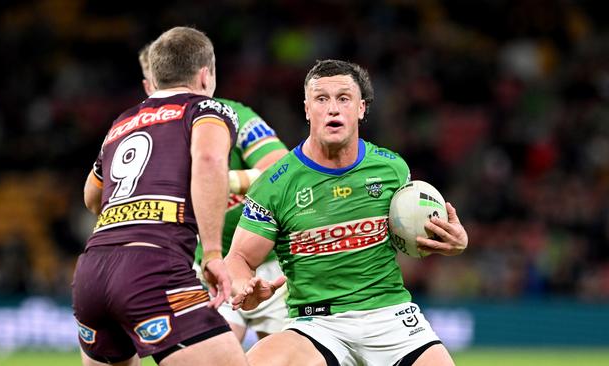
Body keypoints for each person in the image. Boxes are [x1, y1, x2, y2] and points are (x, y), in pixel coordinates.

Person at [225, 59, 469, 366]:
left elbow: (411, 239)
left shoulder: (392, 169)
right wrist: (244, 284)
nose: (333, 108)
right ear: (306, 108)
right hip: (317, 324)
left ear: (361, 108)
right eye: (321, 99)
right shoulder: (274, 183)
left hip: (389, 315)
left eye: (343, 98)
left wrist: (452, 243)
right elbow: (238, 258)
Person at [72, 26, 249, 366]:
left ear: (154, 77)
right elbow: (209, 159)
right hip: (151, 267)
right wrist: (212, 253)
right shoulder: (207, 109)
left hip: (91, 273)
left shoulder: (122, 123)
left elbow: (92, 197)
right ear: (205, 74)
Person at [139, 44, 290, 342]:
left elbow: (282, 172)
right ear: (148, 86)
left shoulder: (235, 116)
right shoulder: (150, 132)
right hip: (209, 265)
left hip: (270, 263)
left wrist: (218, 183)